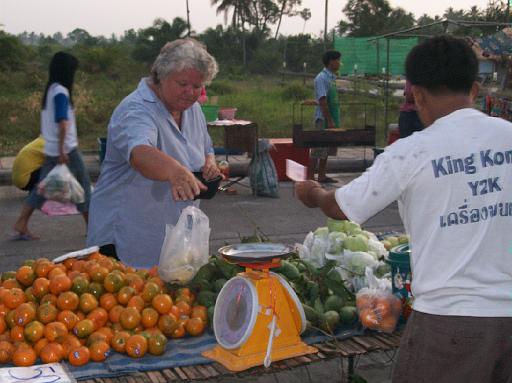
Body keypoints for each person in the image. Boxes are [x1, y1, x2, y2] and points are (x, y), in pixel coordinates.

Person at [295, 35, 512, 382]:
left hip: (448, 323)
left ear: (417, 95)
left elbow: (341, 207)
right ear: (474, 88)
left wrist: (314, 192)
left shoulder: (412, 151)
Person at [86, 38, 221, 269]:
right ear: (161, 76)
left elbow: (205, 145)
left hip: (174, 240)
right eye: (182, 84)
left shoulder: (193, 109)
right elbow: (140, 153)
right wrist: (176, 172)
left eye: (197, 87)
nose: (190, 92)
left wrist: (210, 162)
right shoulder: (136, 109)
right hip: (126, 242)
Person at [12, 52, 91, 240]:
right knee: (84, 187)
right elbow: (62, 122)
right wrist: (63, 150)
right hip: (65, 149)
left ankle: (22, 222)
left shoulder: (51, 90)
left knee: (42, 188)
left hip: (51, 148)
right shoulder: (61, 92)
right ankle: (93, 228)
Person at [308, 50, 342, 183]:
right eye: (337, 60)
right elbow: (322, 100)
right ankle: (310, 177)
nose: (339, 63)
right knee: (318, 148)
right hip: (323, 118)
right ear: (331, 61)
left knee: (326, 148)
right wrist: (329, 120)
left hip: (331, 116)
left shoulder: (332, 78)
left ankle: (322, 175)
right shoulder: (321, 78)